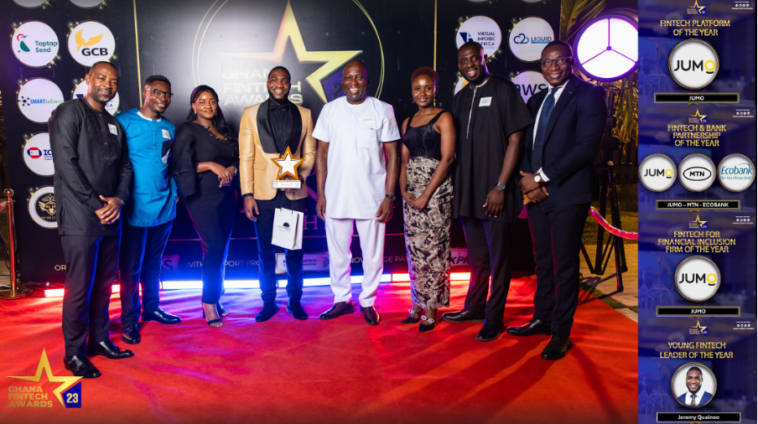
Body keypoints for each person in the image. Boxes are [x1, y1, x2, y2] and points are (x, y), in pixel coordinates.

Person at [507, 40, 607, 361]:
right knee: (543, 261)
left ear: (571, 62)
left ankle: (561, 332)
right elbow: (525, 145)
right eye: (547, 62)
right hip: (537, 195)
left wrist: (540, 178)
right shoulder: (537, 99)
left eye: (559, 61)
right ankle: (542, 318)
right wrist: (528, 180)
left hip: (568, 193)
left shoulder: (589, 95)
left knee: (564, 264)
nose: (552, 67)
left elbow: (585, 148)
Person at [441, 41, 533, 342]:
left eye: (474, 59)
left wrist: (501, 186)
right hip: (469, 192)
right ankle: (474, 307)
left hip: (496, 193)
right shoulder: (461, 97)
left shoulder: (504, 89)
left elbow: (516, 140)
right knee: (477, 257)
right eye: (463, 60)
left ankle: (494, 318)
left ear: (484, 58)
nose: (469, 65)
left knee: (499, 260)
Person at [49, 61, 135, 378]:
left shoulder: (114, 124)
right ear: (88, 79)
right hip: (80, 217)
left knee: (104, 285)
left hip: (112, 217)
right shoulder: (68, 112)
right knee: (79, 287)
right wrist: (95, 204)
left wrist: (118, 199)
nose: (107, 85)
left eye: (113, 81)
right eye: (101, 78)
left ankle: (99, 340)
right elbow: (65, 163)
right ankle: (74, 352)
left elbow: (125, 167)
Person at [314, 60, 401, 326]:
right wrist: (321, 194)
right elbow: (321, 155)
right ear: (342, 82)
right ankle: (342, 299)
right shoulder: (330, 110)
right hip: (336, 194)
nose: (354, 82)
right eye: (348, 78)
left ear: (367, 80)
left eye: (359, 77)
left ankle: (368, 302)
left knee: (373, 255)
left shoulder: (383, 109)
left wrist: (389, 196)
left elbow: (394, 156)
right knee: (338, 253)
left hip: (372, 196)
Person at [239, 66, 316, 322]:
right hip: (262, 194)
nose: (279, 84)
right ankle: (268, 302)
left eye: (284, 80)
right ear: (267, 83)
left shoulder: (305, 114)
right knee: (265, 252)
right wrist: (247, 194)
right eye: (275, 80)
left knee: (294, 251)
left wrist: (298, 177)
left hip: (293, 194)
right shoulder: (250, 113)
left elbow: (311, 153)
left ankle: (295, 301)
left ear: (290, 85)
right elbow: (246, 157)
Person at [115, 75, 181, 345]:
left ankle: (152, 308)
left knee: (153, 262)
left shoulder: (169, 126)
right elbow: (114, 164)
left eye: (167, 94)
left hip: (164, 207)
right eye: (157, 92)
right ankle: (129, 319)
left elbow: (170, 164)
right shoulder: (123, 121)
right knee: (130, 268)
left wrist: (173, 193)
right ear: (146, 92)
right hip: (134, 206)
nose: (162, 98)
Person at [171, 85, 239, 328]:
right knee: (214, 247)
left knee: (222, 250)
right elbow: (179, 165)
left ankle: (216, 298)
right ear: (194, 105)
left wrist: (231, 169)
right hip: (202, 198)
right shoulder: (188, 130)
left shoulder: (224, 130)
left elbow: (236, 159)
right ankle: (208, 303)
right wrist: (211, 165)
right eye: (202, 101)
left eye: (212, 100)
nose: (208, 105)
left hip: (226, 198)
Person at [399, 67, 455, 332]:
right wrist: (403, 191)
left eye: (427, 88)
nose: (422, 93)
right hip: (411, 196)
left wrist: (425, 195)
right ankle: (417, 305)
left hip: (436, 195)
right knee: (415, 252)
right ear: (412, 92)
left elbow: (447, 159)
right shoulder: (407, 121)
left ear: (435, 89)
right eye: (417, 88)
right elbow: (403, 160)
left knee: (434, 252)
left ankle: (431, 309)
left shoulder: (444, 118)